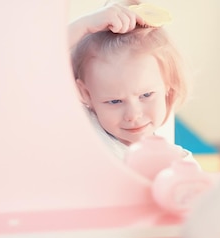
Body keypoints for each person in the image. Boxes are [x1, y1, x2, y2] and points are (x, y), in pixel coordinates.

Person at [68, 1, 190, 159]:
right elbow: (32, 67)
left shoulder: (176, 159)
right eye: (114, 101)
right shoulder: (84, 128)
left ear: (168, 84)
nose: (133, 115)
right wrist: (83, 25)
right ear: (86, 93)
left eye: (146, 95)